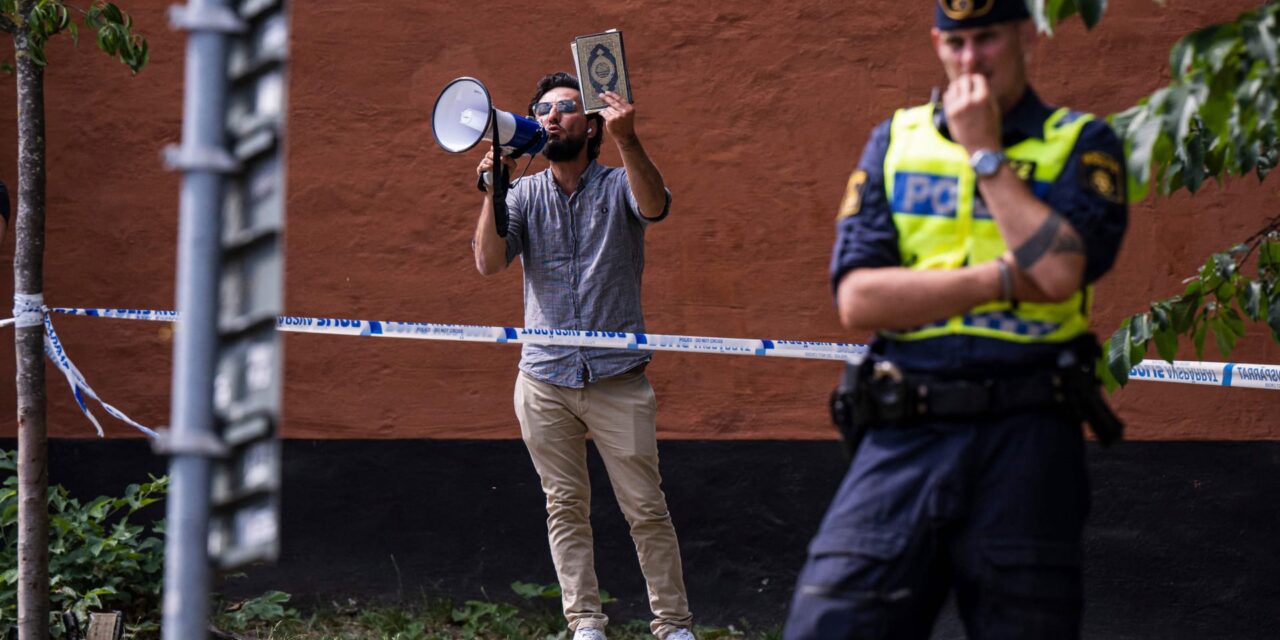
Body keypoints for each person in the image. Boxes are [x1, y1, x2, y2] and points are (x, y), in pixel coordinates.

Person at [784, 1, 1129, 638]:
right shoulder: (896, 140)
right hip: (905, 430)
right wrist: (1005, 277)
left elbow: (1059, 273)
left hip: (1028, 435)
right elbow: (858, 299)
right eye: (957, 42)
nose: (971, 59)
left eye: (987, 39)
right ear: (937, 44)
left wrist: (985, 154)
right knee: (828, 623)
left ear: (1025, 36)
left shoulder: (1081, 142)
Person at [471, 72, 695, 640]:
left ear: (592, 126)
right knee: (565, 507)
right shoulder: (524, 195)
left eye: (566, 108)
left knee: (645, 508)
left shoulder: (619, 184)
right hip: (544, 379)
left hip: (617, 378)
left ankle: (673, 625)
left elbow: (655, 207)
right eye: (542, 109)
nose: (551, 117)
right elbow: (489, 263)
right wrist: (494, 192)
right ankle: (586, 623)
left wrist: (629, 139)